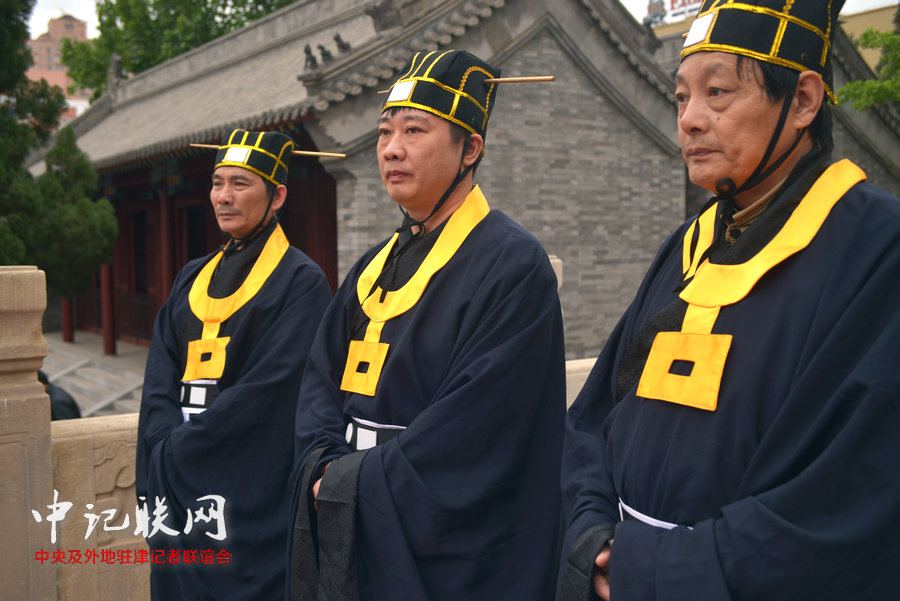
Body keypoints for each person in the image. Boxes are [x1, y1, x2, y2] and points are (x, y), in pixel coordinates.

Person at [559, 1, 900, 599]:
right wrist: (592, 535)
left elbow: (849, 490)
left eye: (717, 93)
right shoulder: (687, 245)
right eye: (681, 96)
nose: (689, 119)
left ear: (802, 101)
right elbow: (592, 421)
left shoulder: (875, 250)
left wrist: (656, 570)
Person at [290, 50, 566, 601]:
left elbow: (477, 425)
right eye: (385, 132)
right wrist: (322, 464)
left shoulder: (512, 265)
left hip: (445, 541)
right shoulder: (372, 265)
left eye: (414, 130)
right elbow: (320, 381)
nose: (391, 148)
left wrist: (348, 481)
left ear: (470, 148)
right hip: (350, 503)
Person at [136, 129, 332, 600]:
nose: (224, 196)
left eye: (241, 184)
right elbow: (160, 369)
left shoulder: (301, 282)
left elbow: (268, 391)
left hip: (245, 482)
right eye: (218, 182)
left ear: (277, 194)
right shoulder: (191, 275)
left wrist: (186, 449)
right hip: (175, 465)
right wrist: (163, 443)